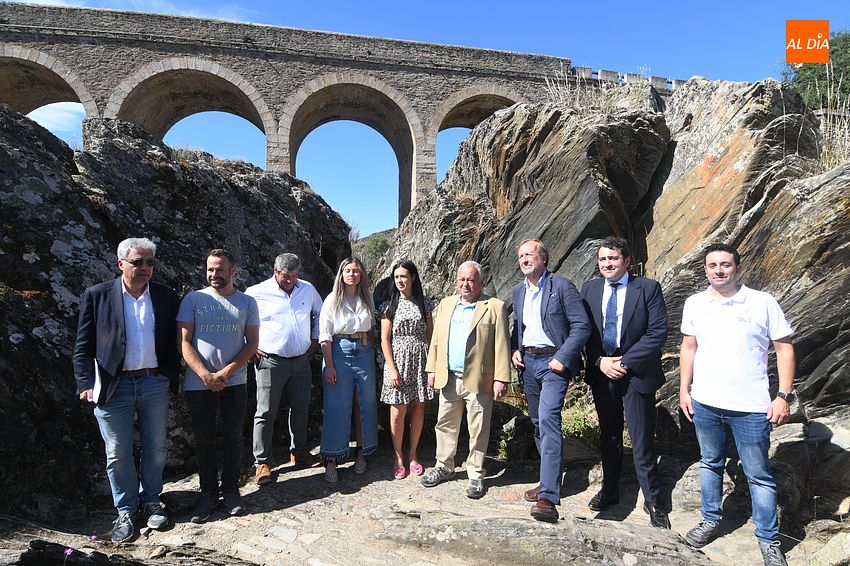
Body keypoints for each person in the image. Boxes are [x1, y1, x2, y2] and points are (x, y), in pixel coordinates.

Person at [679, 243, 795, 566]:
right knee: (709, 463)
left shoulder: (762, 302)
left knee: (758, 474)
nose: (719, 270)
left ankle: (769, 539)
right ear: (705, 270)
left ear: (738, 268)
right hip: (705, 402)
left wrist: (783, 396)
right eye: (712, 265)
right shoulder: (694, 303)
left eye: (726, 265)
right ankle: (710, 519)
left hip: (751, 407)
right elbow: (688, 347)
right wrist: (684, 390)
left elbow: (784, 349)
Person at [73, 237, 180, 542]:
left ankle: (151, 501)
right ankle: (126, 509)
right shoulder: (98, 295)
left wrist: (168, 373)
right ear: (121, 263)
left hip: (153, 382)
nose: (145, 268)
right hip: (113, 384)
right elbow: (83, 345)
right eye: (137, 262)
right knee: (117, 451)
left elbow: (177, 337)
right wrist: (84, 382)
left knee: (156, 446)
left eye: (150, 262)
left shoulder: (165, 295)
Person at [580, 236, 670, 528]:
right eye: (603, 259)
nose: (607, 264)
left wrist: (625, 362)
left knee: (642, 439)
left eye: (613, 258)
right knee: (609, 435)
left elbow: (657, 332)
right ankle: (610, 490)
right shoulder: (590, 289)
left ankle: (653, 500)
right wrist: (599, 361)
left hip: (636, 373)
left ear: (627, 261)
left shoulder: (647, 288)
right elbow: (583, 331)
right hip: (602, 372)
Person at [511, 239, 590, 522]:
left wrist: (563, 357)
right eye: (521, 256)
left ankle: (548, 498)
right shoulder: (519, 290)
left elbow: (581, 326)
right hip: (528, 363)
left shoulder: (562, 286)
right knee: (536, 423)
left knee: (548, 420)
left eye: (529, 254)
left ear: (544, 258)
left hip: (553, 363)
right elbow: (519, 326)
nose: (524, 259)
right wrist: (515, 349)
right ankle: (547, 479)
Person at [177, 249, 259, 523]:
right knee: (204, 440)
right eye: (210, 269)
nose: (214, 274)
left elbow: (252, 343)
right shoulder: (193, 299)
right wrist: (205, 374)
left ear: (233, 271)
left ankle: (232, 492)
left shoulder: (247, 302)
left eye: (220, 269)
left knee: (234, 437)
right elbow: (183, 341)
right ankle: (208, 494)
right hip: (198, 383)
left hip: (234, 382)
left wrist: (224, 373)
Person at [421, 261, 511, 499]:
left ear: (481, 282)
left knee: (478, 429)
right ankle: (444, 466)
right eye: (462, 279)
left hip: (480, 379)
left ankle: (475, 474)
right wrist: (432, 369)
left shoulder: (494, 307)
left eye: (471, 280)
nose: (465, 284)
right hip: (449, 377)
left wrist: (501, 378)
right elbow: (437, 340)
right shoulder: (446, 304)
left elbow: (502, 344)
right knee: (444, 424)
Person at [245, 253, 323, 485]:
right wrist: (248, 347)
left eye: (294, 276)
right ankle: (262, 462)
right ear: (275, 271)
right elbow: (240, 319)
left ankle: (299, 451)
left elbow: (321, 313)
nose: (290, 281)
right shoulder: (256, 292)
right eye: (286, 276)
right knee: (266, 412)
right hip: (270, 361)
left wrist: (316, 340)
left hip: (301, 359)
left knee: (301, 406)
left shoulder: (307, 289)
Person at [318, 257, 378, 483]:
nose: (352, 275)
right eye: (348, 271)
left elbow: (372, 327)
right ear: (341, 274)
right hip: (338, 350)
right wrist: (329, 365)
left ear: (361, 275)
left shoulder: (367, 297)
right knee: (336, 404)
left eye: (356, 271)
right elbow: (324, 335)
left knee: (365, 402)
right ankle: (332, 457)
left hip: (364, 349)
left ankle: (362, 451)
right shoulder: (332, 299)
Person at [379, 260, 434, 479]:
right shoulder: (388, 306)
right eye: (396, 277)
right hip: (398, 362)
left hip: (421, 359)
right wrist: (392, 369)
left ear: (413, 277)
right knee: (397, 411)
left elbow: (431, 336)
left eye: (403, 276)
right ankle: (398, 456)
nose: (400, 280)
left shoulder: (425, 303)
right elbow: (384, 340)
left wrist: (432, 365)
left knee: (419, 406)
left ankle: (413, 454)